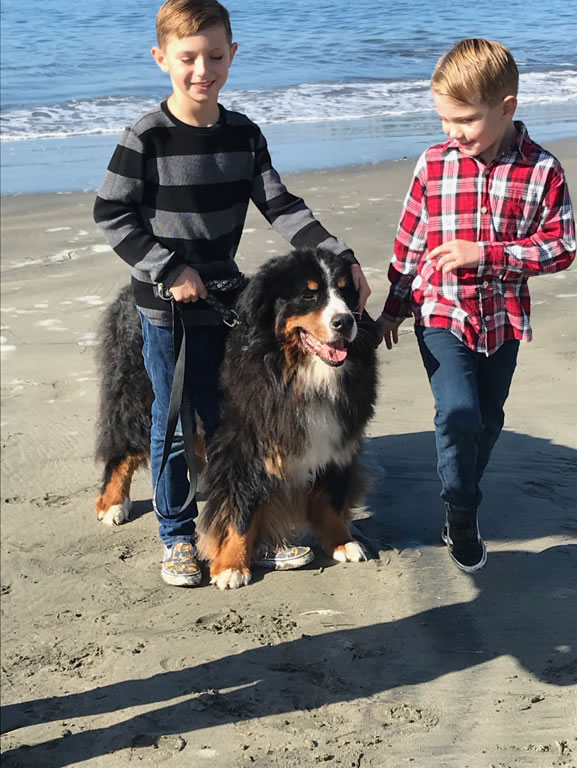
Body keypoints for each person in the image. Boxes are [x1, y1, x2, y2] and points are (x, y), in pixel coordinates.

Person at [94, 0, 371, 587]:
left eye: (215, 56)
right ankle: (176, 536)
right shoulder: (145, 136)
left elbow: (282, 206)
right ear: (161, 58)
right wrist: (168, 268)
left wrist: (342, 257)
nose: (203, 70)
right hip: (164, 310)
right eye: (188, 58)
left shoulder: (244, 133)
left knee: (233, 428)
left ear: (232, 55)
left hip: (226, 305)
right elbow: (112, 213)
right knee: (173, 426)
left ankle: (245, 531)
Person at [377, 38, 575, 572]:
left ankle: (461, 492)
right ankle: (461, 512)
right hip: (440, 310)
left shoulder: (542, 170)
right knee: (458, 412)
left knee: (488, 420)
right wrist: (393, 309)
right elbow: (409, 242)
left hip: (503, 319)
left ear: (507, 108)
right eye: (444, 118)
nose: (453, 132)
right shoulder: (433, 164)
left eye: (465, 120)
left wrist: (487, 255)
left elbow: (561, 247)